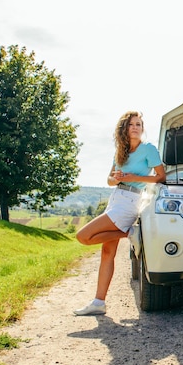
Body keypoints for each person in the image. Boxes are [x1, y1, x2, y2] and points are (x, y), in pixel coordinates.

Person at [74, 111, 166, 316]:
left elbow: (161, 177)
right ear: (124, 128)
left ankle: (129, 234)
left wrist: (134, 177)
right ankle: (99, 302)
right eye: (132, 124)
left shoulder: (148, 149)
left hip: (131, 200)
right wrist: (116, 179)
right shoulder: (121, 150)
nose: (136, 127)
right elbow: (108, 179)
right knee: (107, 253)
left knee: (83, 236)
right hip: (116, 197)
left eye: (139, 124)